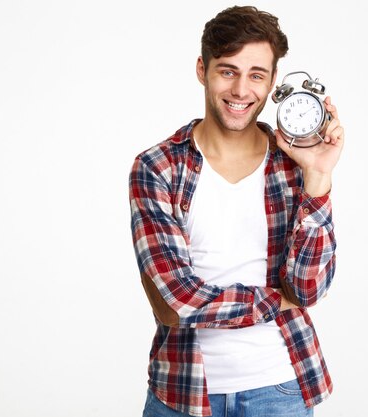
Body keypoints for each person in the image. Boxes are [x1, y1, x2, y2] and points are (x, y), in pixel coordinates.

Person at [129, 5, 344, 417]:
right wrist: (275, 302)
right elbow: (176, 304)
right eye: (228, 71)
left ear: (273, 82)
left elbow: (308, 290)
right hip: (182, 392)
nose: (242, 90)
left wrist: (317, 177)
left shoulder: (293, 164)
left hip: (279, 389)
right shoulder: (157, 168)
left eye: (256, 75)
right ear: (202, 69)